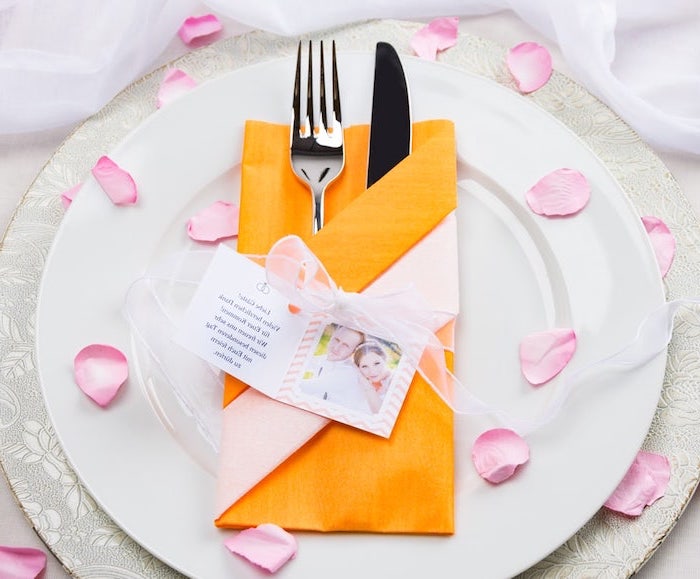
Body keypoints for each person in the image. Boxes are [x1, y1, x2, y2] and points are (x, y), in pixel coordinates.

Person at [299, 324, 372, 413]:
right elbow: (301, 361)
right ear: (332, 336)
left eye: (346, 346)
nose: (336, 348)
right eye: (336, 340)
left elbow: (306, 387)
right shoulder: (326, 359)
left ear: (353, 352)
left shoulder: (348, 373)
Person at [353, 341, 394, 413]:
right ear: (358, 368)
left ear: (385, 359)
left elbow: (380, 414)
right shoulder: (361, 384)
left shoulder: (395, 381)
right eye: (364, 366)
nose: (372, 371)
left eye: (377, 363)